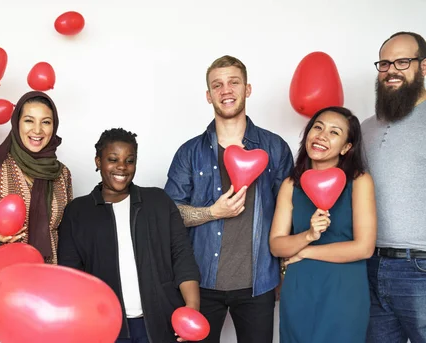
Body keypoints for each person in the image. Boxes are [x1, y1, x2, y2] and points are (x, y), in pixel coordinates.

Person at [163, 55, 293, 343]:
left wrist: (285, 271)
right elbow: (170, 214)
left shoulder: (275, 148)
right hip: (201, 285)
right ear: (209, 96)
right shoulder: (189, 152)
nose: (226, 90)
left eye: (234, 82)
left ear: (247, 89)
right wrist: (212, 212)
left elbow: (288, 215)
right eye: (218, 85)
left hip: (258, 285)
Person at [57, 128, 201, 343]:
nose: (122, 167)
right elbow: (71, 275)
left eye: (129, 160)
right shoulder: (78, 212)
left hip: (162, 322)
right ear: (98, 161)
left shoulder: (158, 201)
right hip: (106, 328)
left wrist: (191, 310)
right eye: (113, 159)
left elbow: (182, 257)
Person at [269, 106, 376, 342]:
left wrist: (305, 251)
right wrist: (307, 235)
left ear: (347, 147)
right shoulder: (290, 184)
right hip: (299, 290)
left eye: (334, 132)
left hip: (343, 291)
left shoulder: (359, 182)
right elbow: (277, 245)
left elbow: (364, 248)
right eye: (317, 127)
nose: (321, 136)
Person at [0, 91, 72, 264]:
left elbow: (66, 232)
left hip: (48, 279)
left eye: (46, 122)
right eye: (29, 120)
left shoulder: (61, 174)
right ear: (17, 123)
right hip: (2, 278)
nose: (37, 130)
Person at [362, 31, 426, 343]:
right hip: (370, 266)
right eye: (385, 63)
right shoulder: (366, 127)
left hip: (421, 268)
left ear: (423, 67)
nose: (391, 70)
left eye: (402, 62)